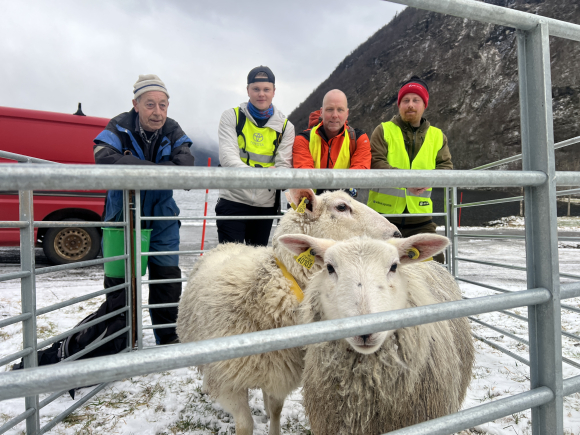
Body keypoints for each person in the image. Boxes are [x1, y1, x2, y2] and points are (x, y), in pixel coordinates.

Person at [93, 74, 195, 345]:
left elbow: (186, 168)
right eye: (150, 104)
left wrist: (133, 166)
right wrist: (162, 172)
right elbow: (103, 159)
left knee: (167, 281)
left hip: (162, 215)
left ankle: (168, 338)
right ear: (135, 104)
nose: (158, 112)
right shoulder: (119, 126)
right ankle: (120, 339)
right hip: (121, 214)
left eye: (163, 105)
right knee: (120, 281)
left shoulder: (172, 129)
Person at [367, 76, 452, 263]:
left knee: (435, 269)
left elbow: (446, 168)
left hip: (420, 219)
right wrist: (406, 182)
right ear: (399, 105)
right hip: (382, 219)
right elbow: (376, 162)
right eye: (405, 100)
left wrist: (427, 180)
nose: (410, 105)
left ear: (424, 105)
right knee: (377, 272)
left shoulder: (438, 136)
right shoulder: (383, 130)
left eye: (416, 100)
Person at [216, 65, 294, 246]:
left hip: (264, 206)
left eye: (266, 89)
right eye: (256, 89)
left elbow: (283, 168)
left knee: (256, 265)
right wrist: (268, 174)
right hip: (232, 200)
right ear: (248, 90)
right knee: (230, 264)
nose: (261, 94)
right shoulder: (231, 117)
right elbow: (228, 159)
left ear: (274, 91)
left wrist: (274, 174)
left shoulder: (285, 127)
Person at [292, 89, 372, 183]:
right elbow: (305, 177)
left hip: (343, 197)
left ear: (347, 114)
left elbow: (359, 174)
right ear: (321, 112)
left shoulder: (359, 139)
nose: (334, 115)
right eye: (330, 109)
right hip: (312, 198)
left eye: (340, 110)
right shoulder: (303, 140)